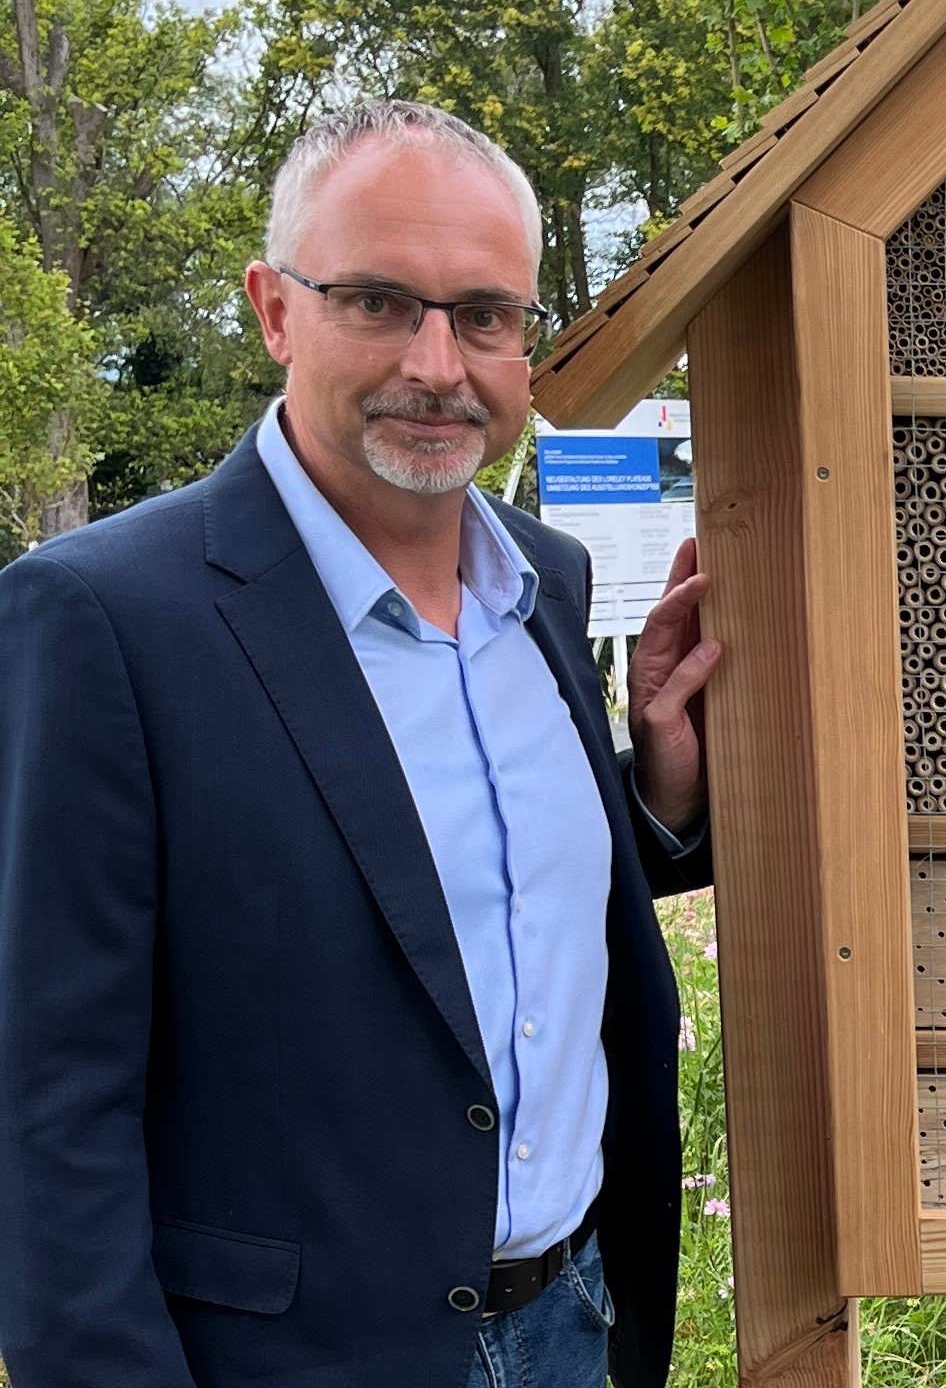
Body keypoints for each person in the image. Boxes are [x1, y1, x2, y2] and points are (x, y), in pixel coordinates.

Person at [0, 101, 720, 1387]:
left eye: (486, 314)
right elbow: (48, 1108)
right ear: (276, 309)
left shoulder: (540, 584)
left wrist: (653, 792)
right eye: (382, 302)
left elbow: (454, 898)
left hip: (579, 1328)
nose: (440, 365)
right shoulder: (105, 617)